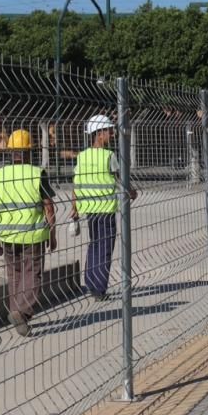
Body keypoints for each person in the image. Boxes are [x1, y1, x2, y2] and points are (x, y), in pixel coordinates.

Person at [0, 129, 57, 336]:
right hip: (32, 235)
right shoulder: (37, 174)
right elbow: (49, 207)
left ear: (11, 152)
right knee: (32, 274)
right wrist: (52, 234)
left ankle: (17, 311)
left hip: (7, 235)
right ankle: (22, 311)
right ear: (29, 152)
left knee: (15, 274)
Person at [71, 114, 134, 300]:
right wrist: (131, 191)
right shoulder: (109, 155)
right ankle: (99, 287)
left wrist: (73, 207)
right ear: (99, 134)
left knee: (94, 244)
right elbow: (119, 178)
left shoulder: (82, 156)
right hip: (106, 209)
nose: (112, 134)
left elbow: (77, 183)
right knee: (105, 247)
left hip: (89, 209)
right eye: (108, 131)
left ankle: (90, 281)